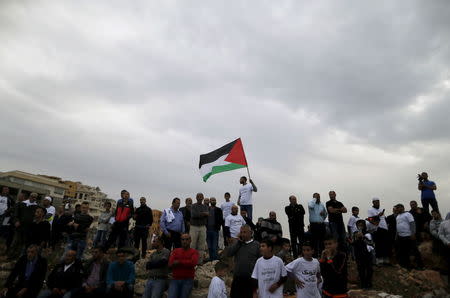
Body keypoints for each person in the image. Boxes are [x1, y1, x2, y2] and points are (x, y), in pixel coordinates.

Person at [227, 225, 260, 298]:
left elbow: (260, 262)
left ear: (251, 233)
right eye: (241, 232)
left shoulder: (256, 245)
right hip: (237, 278)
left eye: (244, 232)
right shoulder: (238, 244)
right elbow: (229, 253)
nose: (242, 234)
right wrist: (238, 242)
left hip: (250, 279)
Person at [168, 234, 199, 298]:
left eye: (187, 239)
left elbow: (193, 263)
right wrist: (187, 262)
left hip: (187, 280)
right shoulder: (175, 251)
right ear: (180, 241)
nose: (185, 241)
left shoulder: (194, 252)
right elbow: (170, 264)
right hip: (175, 279)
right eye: (183, 239)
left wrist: (179, 262)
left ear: (190, 240)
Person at [395, 203, 424, 269]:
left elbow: (412, 224)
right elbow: (397, 226)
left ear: (402, 208)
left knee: (415, 251)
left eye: (398, 207)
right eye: (396, 208)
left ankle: (420, 265)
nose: (397, 209)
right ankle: (406, 265)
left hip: (409, 235)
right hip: (401, 237)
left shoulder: (408, 214)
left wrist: (413, 233)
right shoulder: (397, 216)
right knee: (403, 252)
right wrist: (396, 236)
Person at [9, 193, 38, 259]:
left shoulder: (36, 206)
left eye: (35, 197)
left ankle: (17, 257)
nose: (34, 198)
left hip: (28, 228)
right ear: (30, 196)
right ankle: (10, 255)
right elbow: (16, 213)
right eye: (33, 197)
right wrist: (16, 221)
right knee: (15, 241)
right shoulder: (21, 204)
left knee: (22, 243)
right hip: (19, 226)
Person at [368, 198, 390, 265]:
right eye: (376, 202)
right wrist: (378, 215)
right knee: (379, 244)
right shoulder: (370, 210)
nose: (378, 203)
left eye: (378, 202)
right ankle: (379, 261)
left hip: (385, 228)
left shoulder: (381, 209)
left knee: (385, 244)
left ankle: (386, 260)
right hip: (377, 229)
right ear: (373, 202)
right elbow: (370, 219)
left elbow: (384, 218)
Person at [353, 220, 374, 289]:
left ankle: (369, 283)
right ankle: (363, 284)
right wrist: (357, 238)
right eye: (358, 225)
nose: (360, 227)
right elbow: (352, 243)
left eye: (361, 225)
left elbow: (371, 243)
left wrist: (363, 237)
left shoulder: (368, 233)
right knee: (361, 270)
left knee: (369, 270)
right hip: (359, 255)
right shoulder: (355, 234)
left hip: (367, 255)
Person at [189, 192, 209, 264]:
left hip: (203, 227)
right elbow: (193, 215)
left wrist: (200, 214)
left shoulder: (205, 206)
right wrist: (203, 214)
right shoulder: (193, 206)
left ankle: (199, 262)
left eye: (201, 197)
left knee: (201, 245)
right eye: (199, 197)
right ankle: (191, 261)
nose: (200, 198)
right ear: (196, 198)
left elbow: (207, 214)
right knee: (192, 244)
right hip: (194, 226)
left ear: (203, 198)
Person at [308, 193, 327, 257]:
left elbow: (325, 214)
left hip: (321, 225)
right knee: (314, 242)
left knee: (322, 242)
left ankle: (322, 256)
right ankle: (314, 257)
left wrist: (323, 214)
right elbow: (311, 206)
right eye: (316, 197)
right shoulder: (311, 202)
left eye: (318, 197)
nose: (318, 198)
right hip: (314, 225)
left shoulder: (322, 204)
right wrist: (314, 199)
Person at [206, 197, 223, 261]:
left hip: (215, 230)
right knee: (209, 246)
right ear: (210, 201)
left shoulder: (219, 209)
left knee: (215, 245)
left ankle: (215, 259)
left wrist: (218, 226)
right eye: (212, 200)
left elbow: (221, 219)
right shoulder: (207, 209)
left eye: (214, 200)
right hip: (207, 230)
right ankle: (211, 258)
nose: (213, 201)